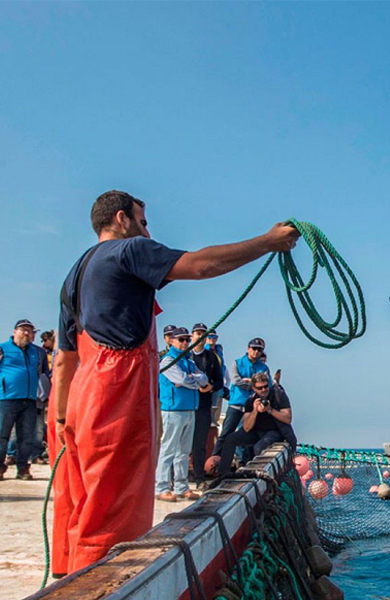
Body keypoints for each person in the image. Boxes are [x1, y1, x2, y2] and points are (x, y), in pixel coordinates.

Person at [52, 190, 299, 573]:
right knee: (113, 510)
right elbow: (200, 266)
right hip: (114, 394)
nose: (147, 231)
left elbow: (64, 358)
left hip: (80, 395)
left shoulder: (77, 271)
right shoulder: (129, 250)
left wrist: (63, 419)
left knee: (82, 503)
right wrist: (267, 243)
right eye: (143, 221)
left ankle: (68, 578)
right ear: (122, 219)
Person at [156, 327, 210, 502]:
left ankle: (181, 486)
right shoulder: (168, 361)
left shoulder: (189, 361)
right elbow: (182, 380)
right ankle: (162, 487)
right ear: (172, 341)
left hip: (189, 409)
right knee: (168, 449)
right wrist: (193, 381)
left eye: (187, 340)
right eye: (181, 339)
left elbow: (204, 379)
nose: (185, 343)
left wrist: (191, 380)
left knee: (184, 451)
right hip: (173, 410)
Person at [217, 372, 296, 476]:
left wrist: (270, 410)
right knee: (230, 439)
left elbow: (287, 418)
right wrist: (254, 411)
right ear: (254, 389)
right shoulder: (251, 401)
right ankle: (223, 474)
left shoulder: (279, 395)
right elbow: (246, 428)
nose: (263, 390)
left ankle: (261, 475)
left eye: (265, 387)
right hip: (256, 431)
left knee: (258, 448)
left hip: (274, 431)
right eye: (260, 388)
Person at [0, 319, 44, 481]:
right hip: (6, 399)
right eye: (23, 330)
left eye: (30, 331)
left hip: (29, 400)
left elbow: (42, 373)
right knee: (2, 435)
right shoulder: (2, 348)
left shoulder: (37, 353)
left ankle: (23, 468)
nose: (26, 333)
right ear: (14, 332)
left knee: (26, 437)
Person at [211, 337, 270, 458]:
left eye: (259, 350)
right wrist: (254, 385)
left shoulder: (264, 368)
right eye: (254, 348)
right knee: (226, 433)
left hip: (252, 407)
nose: (256, 352)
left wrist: (249, 382)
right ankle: (215, 459)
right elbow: (237, 381)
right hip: (236, 404)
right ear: (248, 349)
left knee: (247, 435)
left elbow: (265, 385)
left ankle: (244, 462)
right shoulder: (237, 363)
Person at [188, 323, 222, 491]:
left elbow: (219, 381)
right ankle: (176, 478)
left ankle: (200, 478)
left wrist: (210, 387)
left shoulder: (211, 357)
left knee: (200, 443)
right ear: (192, 335)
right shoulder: (185, 356)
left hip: (203, 405)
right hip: (185, 406)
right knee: (181, 443)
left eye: (203, 333)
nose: (200, 336)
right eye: (197, 333)